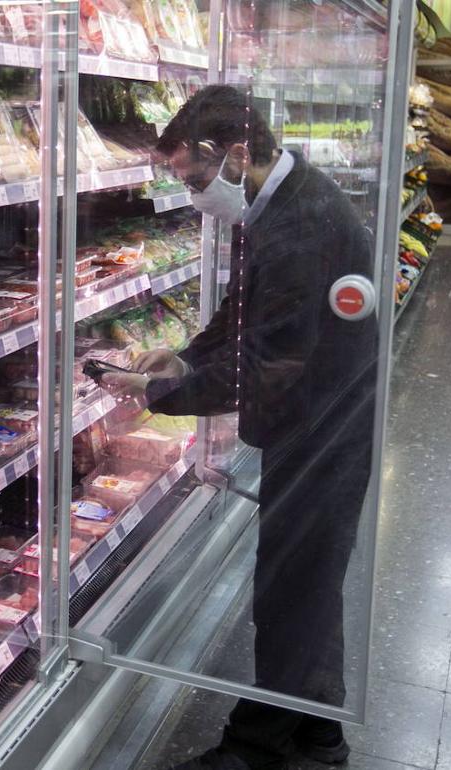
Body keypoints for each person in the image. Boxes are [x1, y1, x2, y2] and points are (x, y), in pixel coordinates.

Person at [99, 85, 378, 770]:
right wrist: (188, 354)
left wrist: (164, 391)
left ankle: (254, 749)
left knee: (287, 592)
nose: (193, 192)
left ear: (237, 153)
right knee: (308, 584)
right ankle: (320, 732)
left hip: (323, 428)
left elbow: (270, 364)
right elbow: (245, 308)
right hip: (317, 418)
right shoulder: (280, 203)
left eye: (194, 176)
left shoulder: (301, 223)